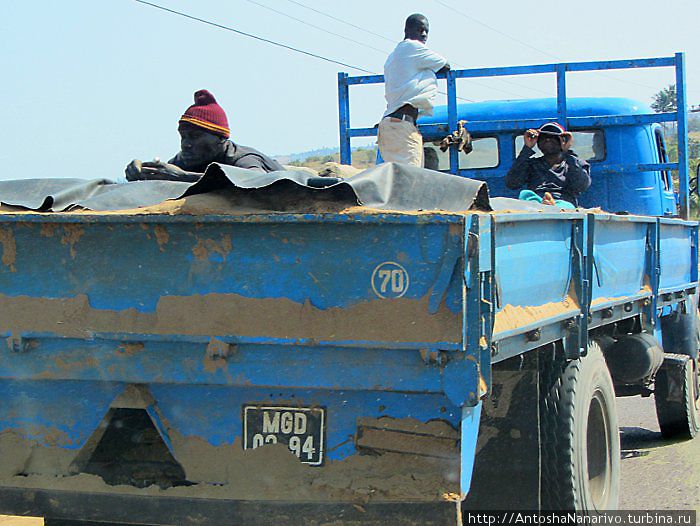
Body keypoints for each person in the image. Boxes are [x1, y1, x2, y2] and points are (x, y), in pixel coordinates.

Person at [126, 90, 283, 182]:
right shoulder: (184, 160)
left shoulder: (242, 158)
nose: (185, 144)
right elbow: (166, 175)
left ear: (220, 139)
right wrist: (143, 173)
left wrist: (183, 176)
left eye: (195, 137)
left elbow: (255, 180)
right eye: (183, 137)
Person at [378, 14, 450, 167]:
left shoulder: (394, 55)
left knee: (396, 182)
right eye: (419, 30)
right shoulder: (412, 47)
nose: (423, 34)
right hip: (402, 125)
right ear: (407, 30)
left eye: (426, 31)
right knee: (410, 181)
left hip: (392, 124)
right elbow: (445, 65)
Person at [505, 122, 591, 209]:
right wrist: (527, 148)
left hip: (563, 204)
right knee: (525, 194)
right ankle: (545, 205)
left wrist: (567, 152)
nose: (548, 140)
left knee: (566, 206)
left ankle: (552, 206)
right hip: (535, 204)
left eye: (553, 137)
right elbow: (512, 183)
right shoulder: (531, 164)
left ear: (562, 141)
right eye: (543, 137)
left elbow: (581, 186)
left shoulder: (574, 163)